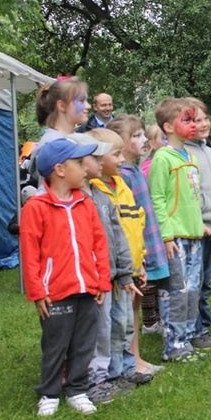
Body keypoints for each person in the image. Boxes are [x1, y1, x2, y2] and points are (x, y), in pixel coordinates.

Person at [20, 138, 111, 416]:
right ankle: (49, 394)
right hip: (54, 292)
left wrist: (102, 280)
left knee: (84, 342)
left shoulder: (86, 203)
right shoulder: (36, 207)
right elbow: (29, 251)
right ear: (60, 169)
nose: (86, 168)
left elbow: (99, 244)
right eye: (79, 163)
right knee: (55, 343)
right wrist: (37, 291)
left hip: (87, 288)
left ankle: (77, 390)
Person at [86, 128, 153, 388]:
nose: (122, 160)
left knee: (125, 324)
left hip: (129, 268)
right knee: (110, 327)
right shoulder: (95, 192)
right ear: (98, 159)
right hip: (108, 275)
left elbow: (136, 225)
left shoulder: (122, 185)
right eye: (116, 155)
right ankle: (111, 374)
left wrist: (140, 262)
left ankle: (126, 368)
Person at [74, 132, 138, 405]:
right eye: (95, 156)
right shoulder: (77, 199)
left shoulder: (100, 195)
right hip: (93, 279)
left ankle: (114, 374)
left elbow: (118, 235)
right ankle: (94, 381)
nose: (100, 161)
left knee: (117, 325)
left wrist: (124, 271)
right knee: (98, 331)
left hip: (113, 275)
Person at [106, 115, 168, 372]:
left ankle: (135, 357)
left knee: (134, 305)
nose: (144, 140)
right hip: (130, 252)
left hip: (144, 246)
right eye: (136, 136)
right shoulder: (124, 177)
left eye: (144, 135)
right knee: (127, 307)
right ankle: (129, 360)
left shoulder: (133, 172)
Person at [148, 98, 207, 363]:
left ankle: (187, 336)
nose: (194, 125)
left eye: (195, 120)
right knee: (176, 291)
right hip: (175, 238)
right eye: (187, 120)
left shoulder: (190, 156)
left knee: (192, 290)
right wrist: (166, 234)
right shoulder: (162, 158)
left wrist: (199, 224)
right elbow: (157, 199)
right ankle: (173, 345)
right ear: (168, 127)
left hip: (193, 235)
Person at [182, 99, 211, 351]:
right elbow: (189, 195)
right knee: (194, 282)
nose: (203, 124)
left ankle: (202, 328)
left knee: (207, 282)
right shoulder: (184, 154)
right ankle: (194, 329)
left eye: (204, 118)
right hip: (197, 229)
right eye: (195, 120)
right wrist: (197, 222)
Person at [30, 77, 91, 184]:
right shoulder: (51, 145)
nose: (88, 106)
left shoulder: (73, 138)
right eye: (81, 101)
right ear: (62, 106)